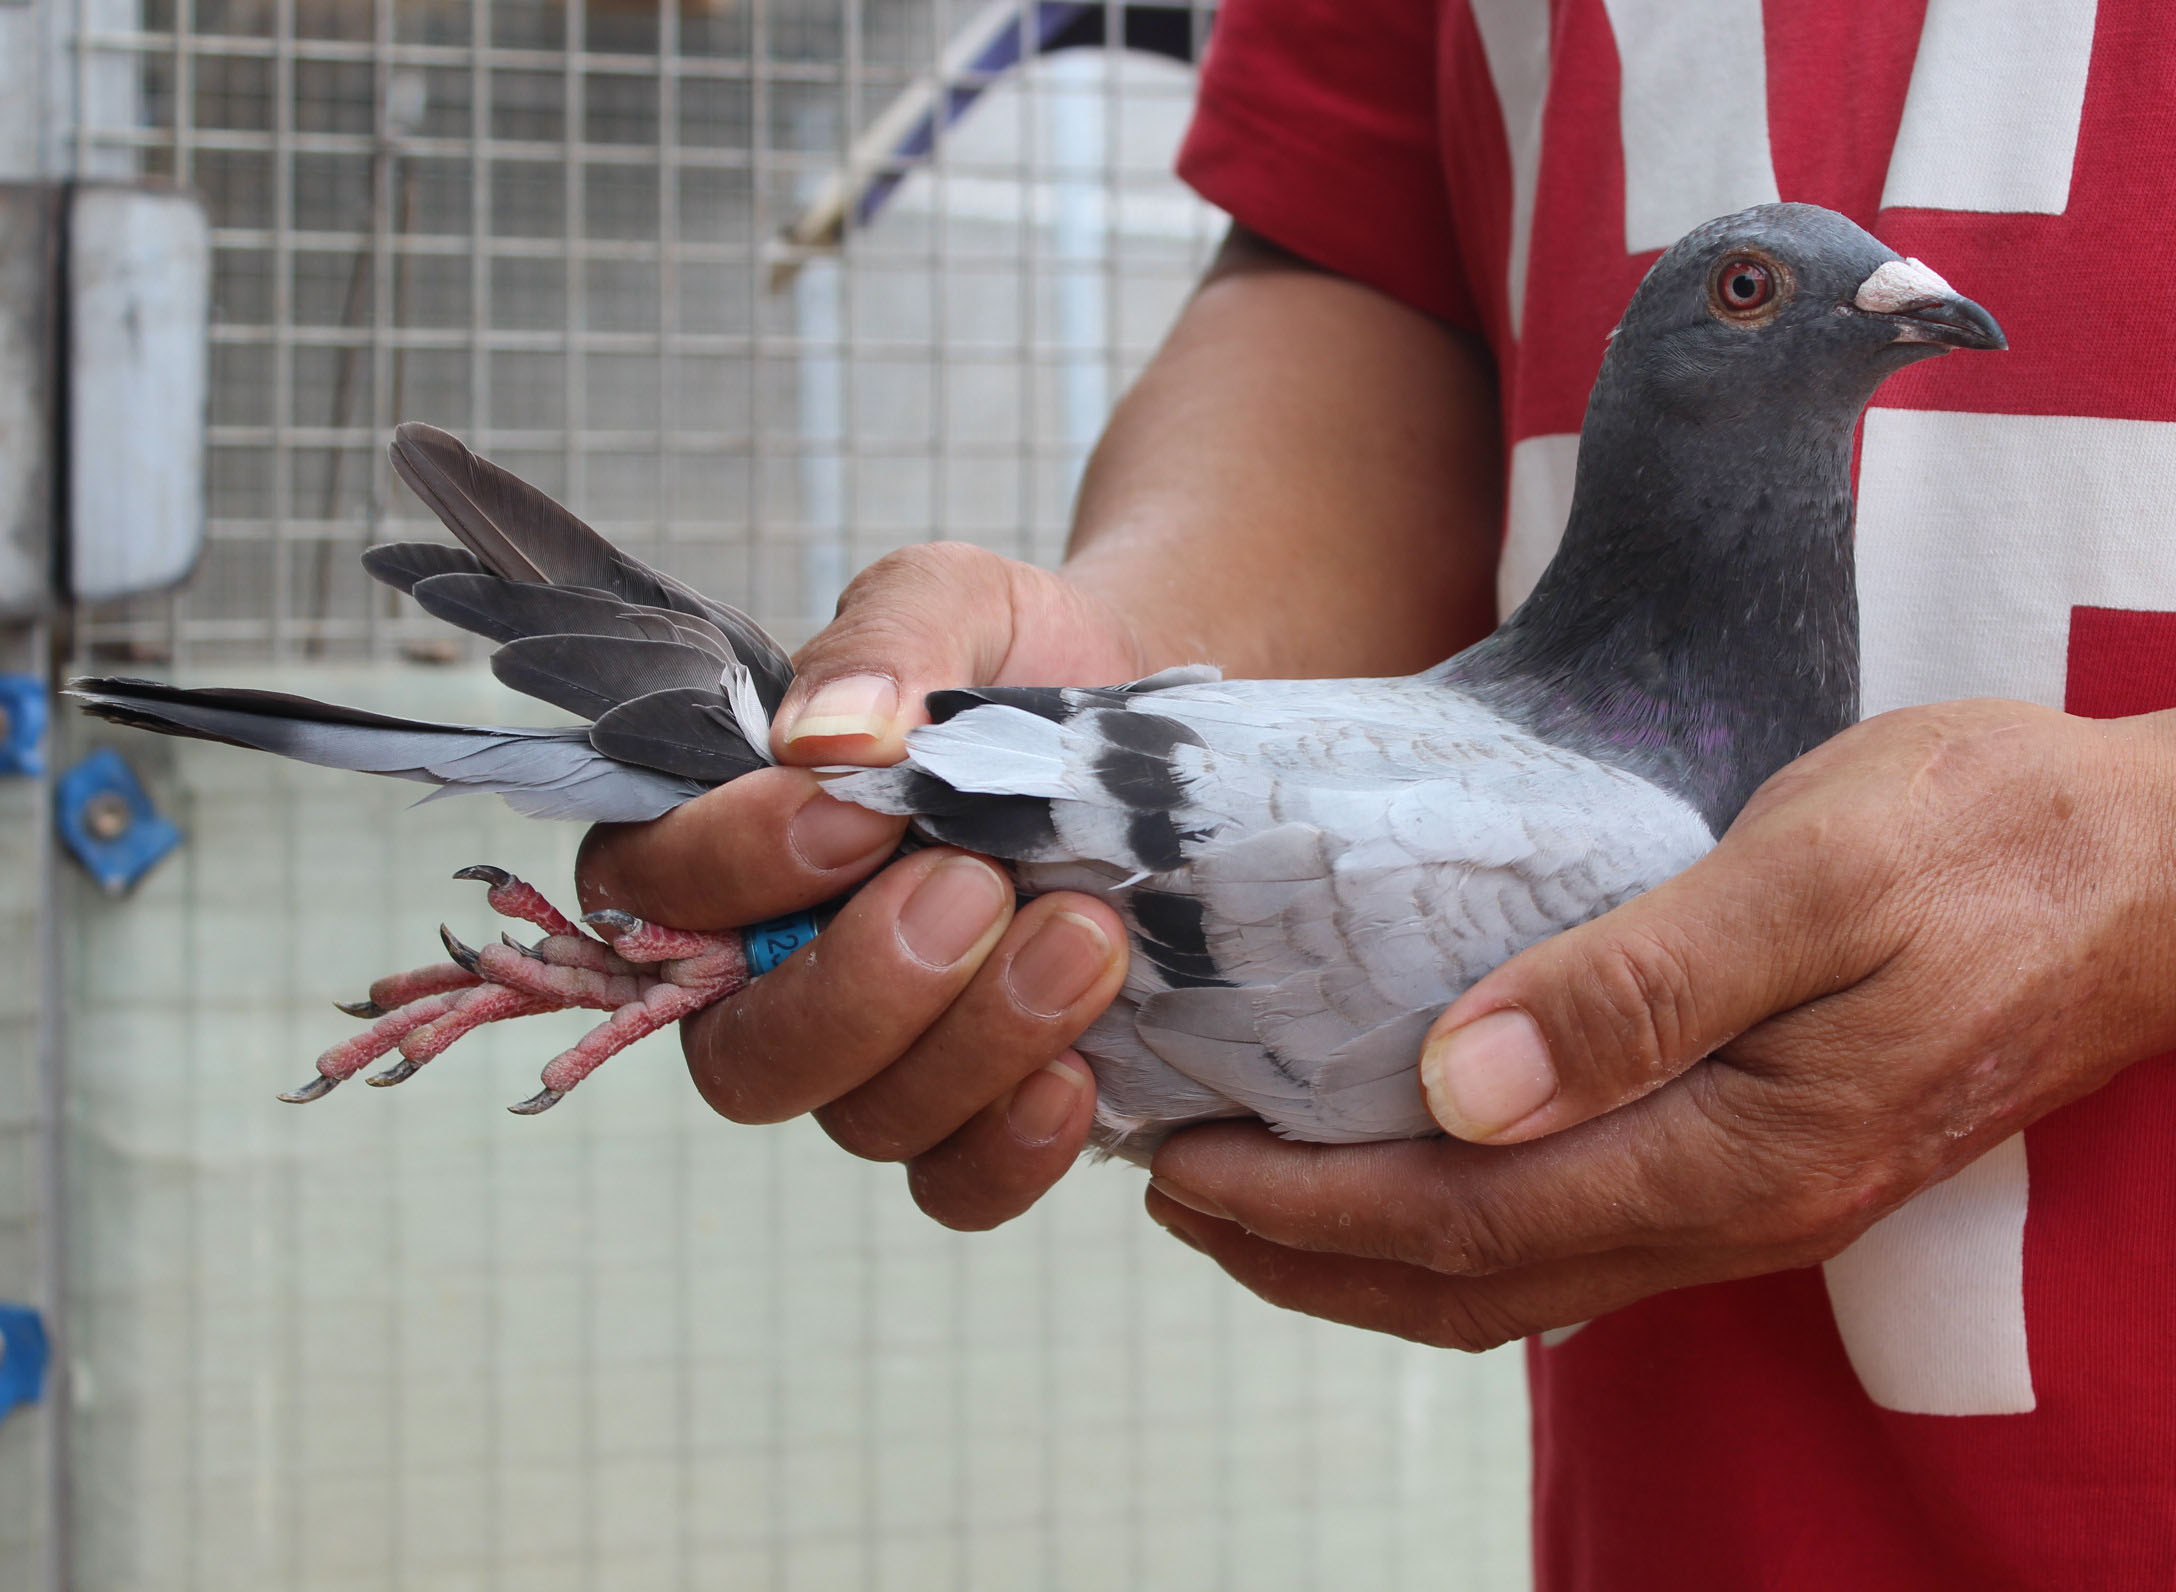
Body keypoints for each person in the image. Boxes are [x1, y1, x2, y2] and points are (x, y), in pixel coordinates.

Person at [577, 2, 2176, 1584]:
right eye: (1758, 289)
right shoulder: (1605, 828)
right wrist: (1153, 651)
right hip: (1716, 1496)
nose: (1897, 291)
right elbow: (1355, 259)